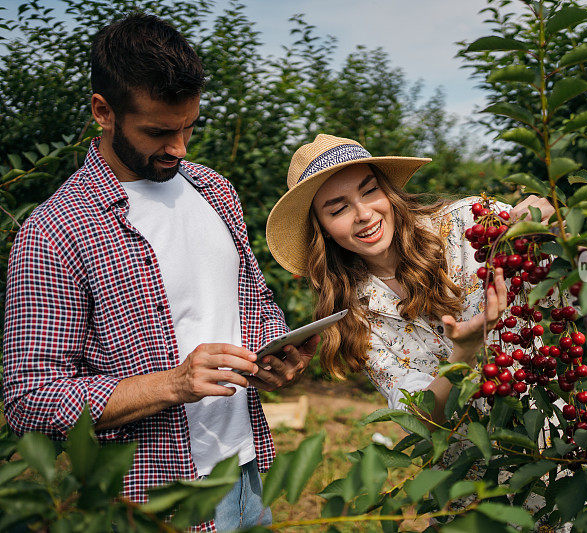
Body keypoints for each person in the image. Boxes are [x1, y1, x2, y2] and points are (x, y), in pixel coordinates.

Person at [2, 14, 315, 532]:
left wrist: (274, 354)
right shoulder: (55, 232)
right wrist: (172, 384)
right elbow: (31, 400)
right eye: (159, 132)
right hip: (152, 500)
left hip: (245, 472)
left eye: (189, 127)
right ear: (104, 111)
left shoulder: (216, 191)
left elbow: (254, 303)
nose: (180, 148)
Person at [265, 134, 554, 421]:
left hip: (551, 446)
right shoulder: (356, 317)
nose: (364, 213)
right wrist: (462, 353)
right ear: (323, 228)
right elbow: (419, 419)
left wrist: (565, 237)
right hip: (467, 462)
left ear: (387, 192)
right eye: (338, 209)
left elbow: (583, 283)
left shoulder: (472, 225)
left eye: (370, 191)